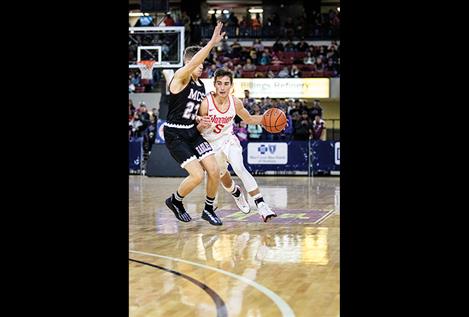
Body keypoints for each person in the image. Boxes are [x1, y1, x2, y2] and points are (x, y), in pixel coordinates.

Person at [163, 22, 226, 226]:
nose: (202, 67)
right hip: (175, 134)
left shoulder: (200, 84)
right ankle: (175, 201)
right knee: (197, 175)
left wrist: (200, 119)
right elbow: (193, 64)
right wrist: (211, 44)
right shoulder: (180, 77)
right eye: (199, 64)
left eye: (203, 64)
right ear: (189, 62)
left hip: (192, 132)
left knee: (214, 171)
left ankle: (208, 209)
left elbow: (191, 111)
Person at [197, 68, 277, 222]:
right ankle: (236, 193)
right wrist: (201, 125)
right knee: (222, 177)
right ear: (214, 85)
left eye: (226, 84)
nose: (222, 87)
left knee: (239, 167)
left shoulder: (235, 102)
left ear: (231, 86)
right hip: (211, 144)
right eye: (219, 83)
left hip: (228, 141)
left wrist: (268, 119)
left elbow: (249, 119)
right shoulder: (206, 103)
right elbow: (197, 129)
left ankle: (261, 204)